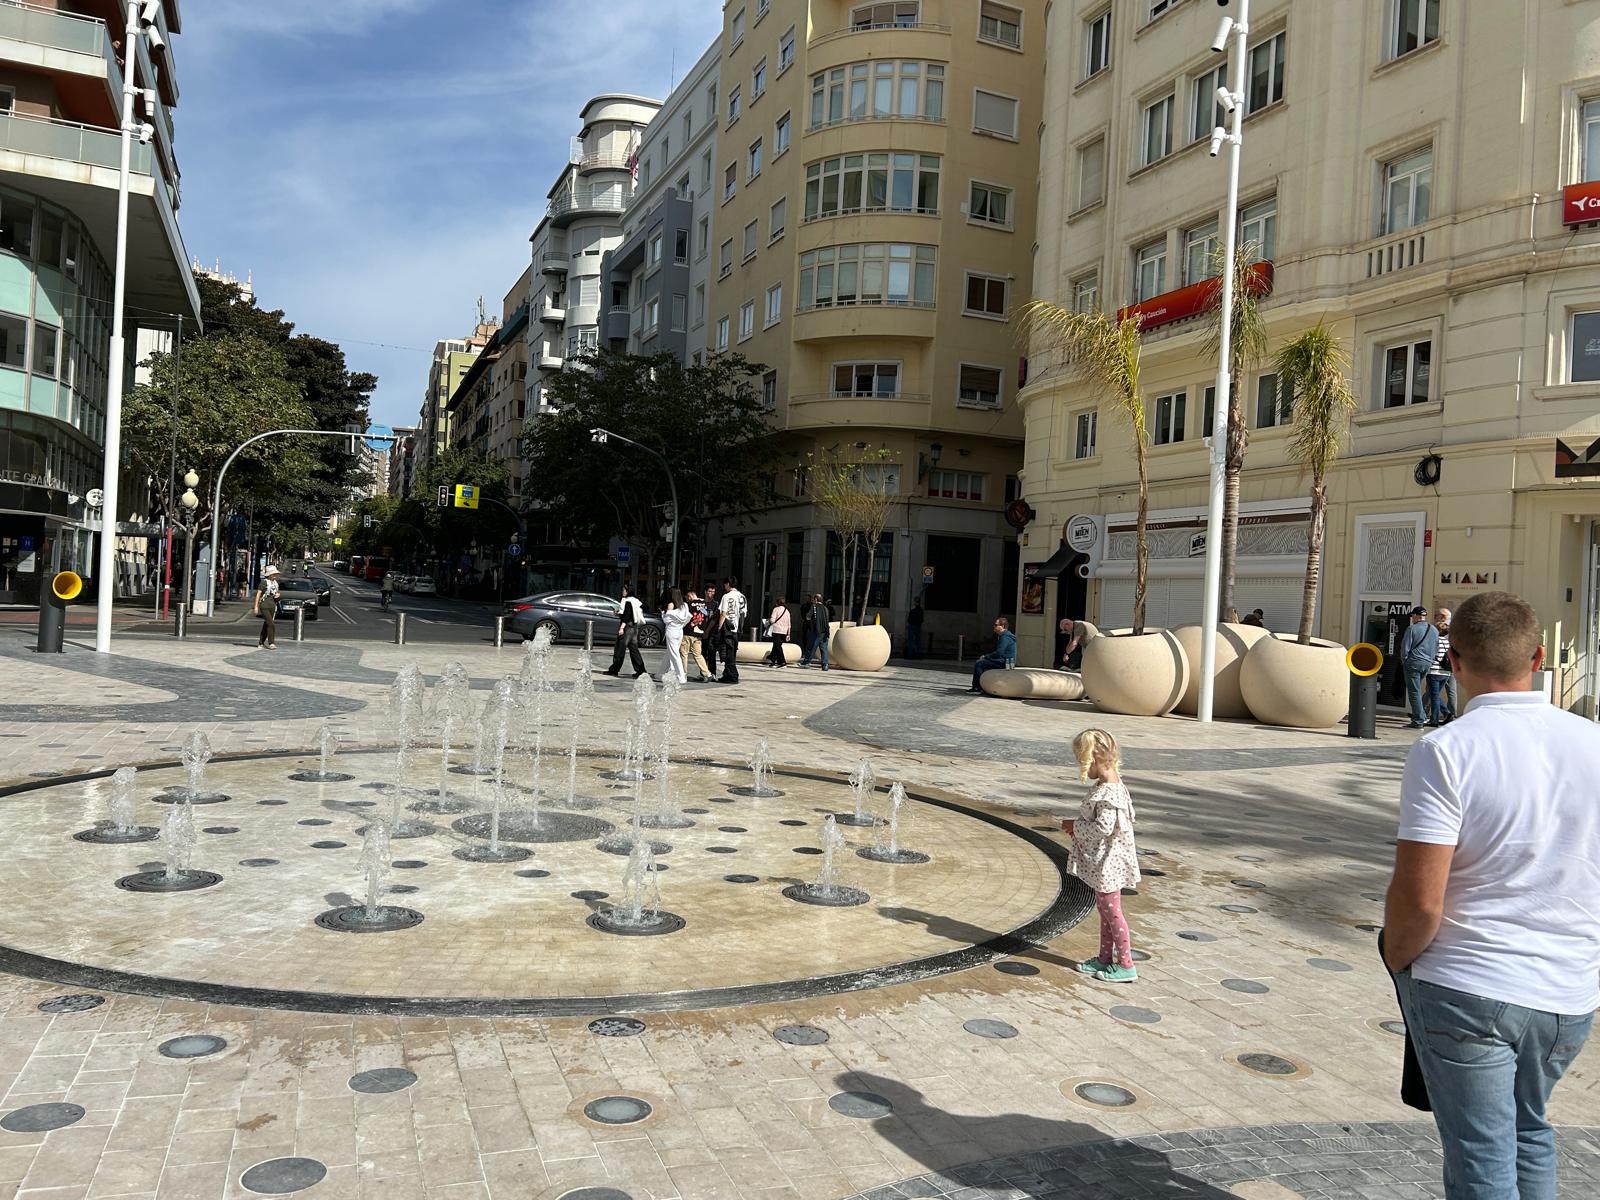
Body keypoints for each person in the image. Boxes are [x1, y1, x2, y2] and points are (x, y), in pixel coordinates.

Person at [1385, 591, 1600, 1200]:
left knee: (1481, 1154)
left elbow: (1420, 898)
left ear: (1452, 661)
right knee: (1530, 1131)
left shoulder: (1445, 750)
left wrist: (1398, 956)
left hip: (1470, 984)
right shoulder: (1593, 742)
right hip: (1569, 992)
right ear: (1537, 657)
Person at [1062, 728, 1140, 983]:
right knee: (1106, 909)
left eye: (1081, 761)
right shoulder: (1112, 785)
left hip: (1109, 862)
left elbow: (1102, 829)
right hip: (1107, 861)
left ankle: (1126, 964)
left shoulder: (1109, 793)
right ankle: (1105, 958)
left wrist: (1074, 826)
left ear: (1093, 757)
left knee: (1112, 911)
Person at [1400, 604, 1440, 729]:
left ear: (1417, 616)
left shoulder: (1412, 629)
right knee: (1418, 690)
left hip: (1413, 663)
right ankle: (1421, 716)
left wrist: (1404, 660)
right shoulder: (1433, 629)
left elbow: (1405, 647)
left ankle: (1418, 720)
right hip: (1427, 663)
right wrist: (1430, 660)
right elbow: (1436, 647)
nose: (1412, 618)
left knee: (1414, 691)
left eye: (1412, 616)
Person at [603, 583, 649, 678]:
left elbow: (627, 616)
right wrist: (618, 614)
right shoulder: (635, 601)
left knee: (620, 648)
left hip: (627, 627)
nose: (622, 592)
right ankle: (641, 671)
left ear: (628, 591)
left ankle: (614, 670)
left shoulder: (627, 601)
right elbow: (630, 614)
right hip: (634, 627)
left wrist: (621, 628)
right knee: (634, 649)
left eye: (624, 590)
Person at [968, 616, 1016, 693]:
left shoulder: (1005, 637)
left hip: (1005, 662)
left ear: (1002, 626)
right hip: (1006, 661)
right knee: (983, 662)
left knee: (979, 663)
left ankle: (977, 688)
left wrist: (986, 656)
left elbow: (999, 653)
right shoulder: (1004, 636)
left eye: (996, 625)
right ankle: (982, 686)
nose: (994, 626)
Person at [1426, 607, 1455, 726]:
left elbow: (1432, 654)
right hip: (1446, 673)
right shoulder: (1448, 642)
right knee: (1435, 694)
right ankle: (1446, 713)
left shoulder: (1435, 641)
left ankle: (1437, 718)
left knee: (1434, 696)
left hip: (1435, 671)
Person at [717, 577, 746, 683]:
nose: (724, 587)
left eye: (725, 585)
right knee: (731, 652)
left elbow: (723, 614)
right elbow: (743, 614)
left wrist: (719, 627)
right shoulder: (742, 597)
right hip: (738, 629)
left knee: (728, 653)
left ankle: (733, 676)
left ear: (728, 584)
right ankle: (726, 675)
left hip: (728, 629)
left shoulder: (726, 596)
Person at [661, 588, 690, 684]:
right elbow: (688, 617)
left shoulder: (671, 605)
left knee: (674, 655)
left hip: (671, 631)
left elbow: (666, 620)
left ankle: (681, 676)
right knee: (671, 653)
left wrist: (663, 613)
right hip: (680, 631)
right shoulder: (684, 605)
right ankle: (661, 672)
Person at [681, 589, 711, 682]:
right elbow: (706, 615)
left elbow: (685, 617)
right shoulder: (704, 604)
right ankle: (707, 673)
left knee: (684, 653)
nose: (687, 599)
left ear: (689, 596)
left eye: (687, 597)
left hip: (688, 632)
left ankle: (683, 674)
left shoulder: (688, 605)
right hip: (699, 633)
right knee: (698, 654)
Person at [800, 593, 832, 670]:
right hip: (825, 631)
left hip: (816, 630)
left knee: (811, 647)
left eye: (814, 599)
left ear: (816, 599)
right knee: (824, 649)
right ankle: (825, 665)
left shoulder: (814, 607)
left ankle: (806, 662)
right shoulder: (825, 608)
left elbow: (808, 617)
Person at [254, 565, 281, 650]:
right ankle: (271, 642)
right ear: (269, 574)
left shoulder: (275, 583)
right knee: (271, 624)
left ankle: (261, 642)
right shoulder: (264, 582)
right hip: (264, 605)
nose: (275, 575)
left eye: (276, 574)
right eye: (273, 574)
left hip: (272, 605)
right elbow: (258, 594)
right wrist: (256, 606)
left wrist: (277, 595)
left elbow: (275, 593)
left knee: (267, 624)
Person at [766, 596, 792, 667]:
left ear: (778, 603)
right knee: (776, 645)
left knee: (778, 646)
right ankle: (773, 659)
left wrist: (769, 621)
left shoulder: (776, 609)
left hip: (776, 630)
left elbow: (772, 620)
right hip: (784, 631)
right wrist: (788, 634)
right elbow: (789, 623)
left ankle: (782, 662)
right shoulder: (787, 611)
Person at [702, 585, 720, 679]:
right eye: (709, 591)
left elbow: (714, 619)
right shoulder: (701, 603)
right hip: (701, 631)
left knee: (711, 652)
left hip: (712, 632)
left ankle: (712, 672)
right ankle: (704, 672)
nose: (711, 593)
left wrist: (707, 631)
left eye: (713, 591)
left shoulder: (716, 604)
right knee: (702, 653)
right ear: (705, 592)